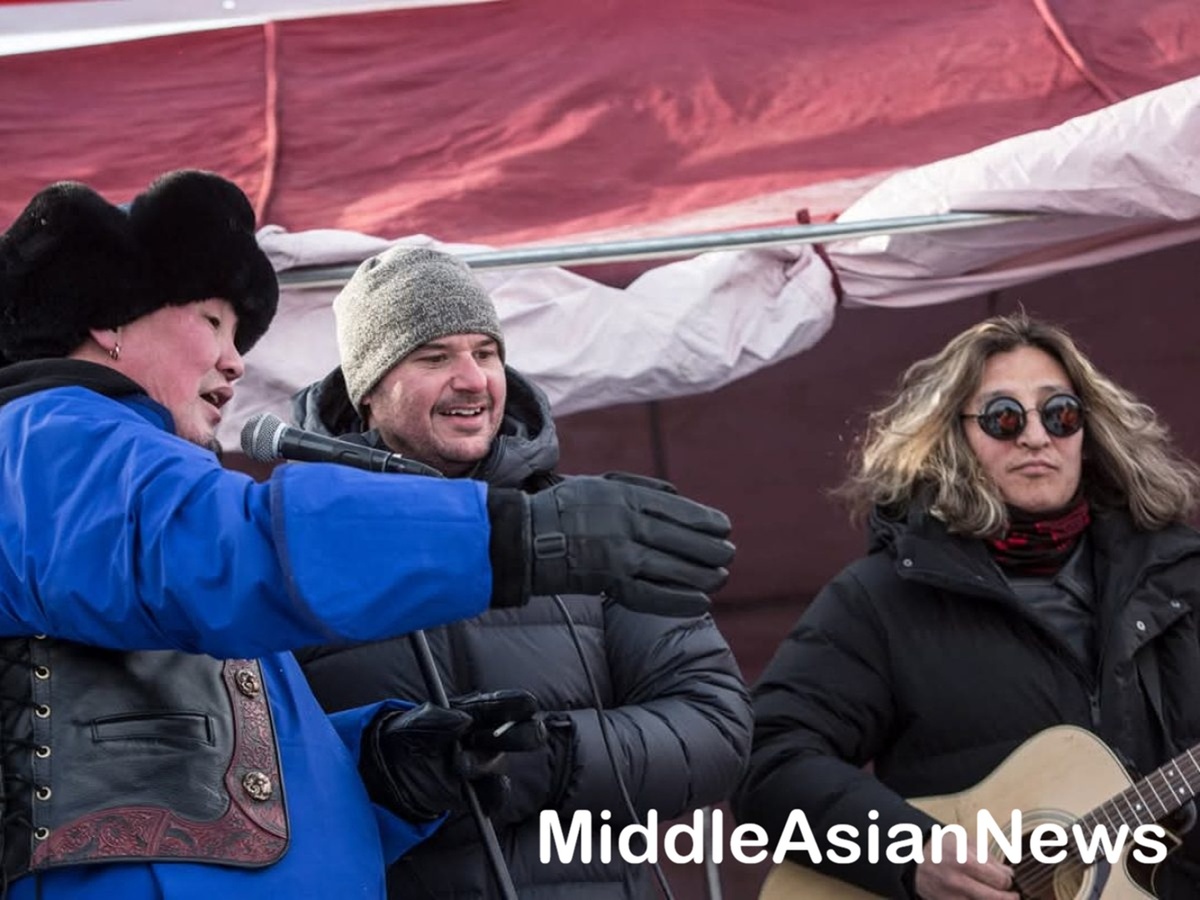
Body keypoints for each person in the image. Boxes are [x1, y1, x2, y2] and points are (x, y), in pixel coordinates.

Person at [0, 171, 736, 899]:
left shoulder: (137, 478)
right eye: (213, 321)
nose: (236, 359)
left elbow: (241, 766)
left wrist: (387, 769)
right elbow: (231, 551)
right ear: (111, 321)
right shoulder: (50, 435)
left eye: (486, 352)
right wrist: (516, 539)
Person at [291, 246, 753, 898]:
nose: (473, 379)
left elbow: (716, 727)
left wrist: (549, 756)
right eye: (433, 357)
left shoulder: (593, 528)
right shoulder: (294, 551)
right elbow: (250, 769)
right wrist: (393, 770)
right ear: (367, 391)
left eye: (485, 353)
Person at [734, 313, 1200, 899]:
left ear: (1089, 431)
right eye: (1005, 417)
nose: (1037, 437)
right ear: (952, 439)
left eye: (1060, 414)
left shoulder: (1182, 579)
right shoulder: (880, 599)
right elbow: (767, 760)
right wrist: (911, 852)